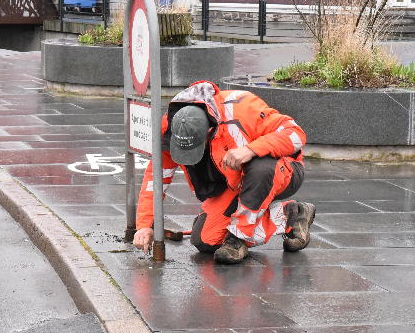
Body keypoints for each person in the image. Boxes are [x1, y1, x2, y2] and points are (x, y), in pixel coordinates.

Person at [132, 80, 315, 264]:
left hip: (282, 171)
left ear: (210, 130)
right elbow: (156, 178)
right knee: (204, 241)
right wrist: (144, 226)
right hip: (234, 182)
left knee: (260, 167)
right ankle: (292, 214)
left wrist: (251, 150)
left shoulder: (242, 108)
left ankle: (238, 239)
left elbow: (296, 134)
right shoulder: (175, 127)